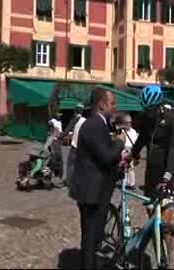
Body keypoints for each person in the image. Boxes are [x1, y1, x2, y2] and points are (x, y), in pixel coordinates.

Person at [69, 88, 125, 269]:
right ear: (102, 105)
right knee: (91, 239)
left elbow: (103, 158)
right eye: (112, 103)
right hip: (92, 193)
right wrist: (119, 142)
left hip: (94, 190)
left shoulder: (98, 124)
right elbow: (106, 156)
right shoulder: (94, 125)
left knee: (91, 238)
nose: (114, 108)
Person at [129, 85, 174, 227]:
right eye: (146, 109)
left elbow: (173, 149)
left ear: (158, 105)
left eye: (151, 109)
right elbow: (140, 141)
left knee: (165, 222)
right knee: (152, 213)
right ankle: (156, 243)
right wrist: (131, 156)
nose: (148, 113)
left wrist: (168, 175)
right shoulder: (146, 120)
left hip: (168, 171)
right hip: (151, 171)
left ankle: (166, 247)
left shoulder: (173, 120)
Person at [61, 104, 86, 187]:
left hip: (75, 146)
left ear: (75, 111)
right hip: (83, 147)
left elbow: (67, 130)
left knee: (70, 164)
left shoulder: (75, 119)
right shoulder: (85, 120)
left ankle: (69, 182)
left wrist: (59, 137)